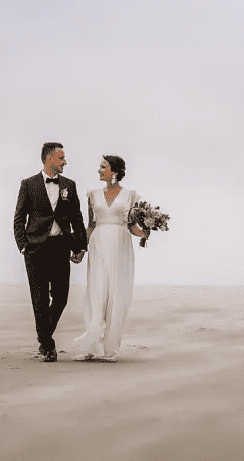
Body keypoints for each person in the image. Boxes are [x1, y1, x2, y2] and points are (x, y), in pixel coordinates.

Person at [13, 142, 88, 362]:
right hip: (35, 249)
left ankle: (43, 335)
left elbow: (77, 218)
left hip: (60, 247)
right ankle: (48, 345)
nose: (65, 162)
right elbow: (19, 218)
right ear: (49, 159)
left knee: (61, 298)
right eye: (61, 158)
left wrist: (81, 246)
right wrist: (24, 246)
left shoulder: (69, 186)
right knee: (39, 300)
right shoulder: (28, 184)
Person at [72, 155, 148, 362]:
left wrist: (146, 232)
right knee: (95, 294)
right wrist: (80, 249)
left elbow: (132, 226)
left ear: (114, 171)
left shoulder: (131, 196)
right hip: (98, 246)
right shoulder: (92, 194)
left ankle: (110, 350)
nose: (99, 170)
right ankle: (92, 346)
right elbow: (90, 225)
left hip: (120, 246)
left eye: (103, 167)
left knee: (117, 295)